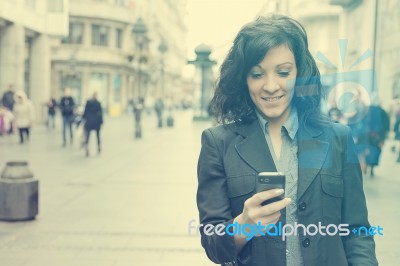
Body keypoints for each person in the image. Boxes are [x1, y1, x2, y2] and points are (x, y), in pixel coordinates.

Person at [196, 14, 377, 266]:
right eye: (257, 74)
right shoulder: (218, 143)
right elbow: (214, 245)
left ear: (300, 73)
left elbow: (358, 233)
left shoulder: (338, 138)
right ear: (243, 80)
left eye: (283, 72)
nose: (271, 86)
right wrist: (243, 225)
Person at [365, 104, 390, 176]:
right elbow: (386, 125)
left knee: (368, 150)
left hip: (369, 135)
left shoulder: (367, 111)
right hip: (378, 135)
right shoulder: (383, 112)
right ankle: (371, 168)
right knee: (376, 151)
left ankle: (367, 166)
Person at [82, 92, 103, 156]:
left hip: (89, 121)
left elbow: (85, 112)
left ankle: (87, 147)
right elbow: (100, 113)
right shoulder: (98, 103)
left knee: (88, 135)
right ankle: (99, 146)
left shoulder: (88, 102)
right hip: (96, 122)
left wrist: (84, 118)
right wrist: (101, 122)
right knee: (98, 135)